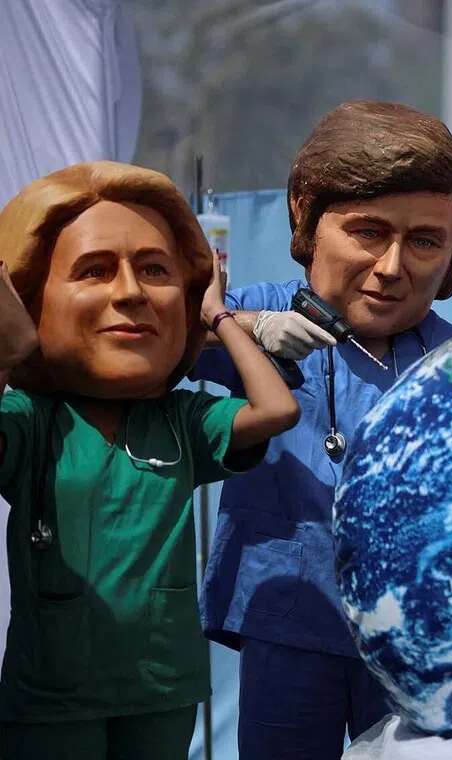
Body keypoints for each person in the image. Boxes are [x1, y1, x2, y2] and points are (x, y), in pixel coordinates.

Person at [189, 100, 452, 759]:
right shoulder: (255, 313)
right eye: (368, 232)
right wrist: (245, 331)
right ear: (305, 216)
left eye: (425, 241)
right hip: (287, 623)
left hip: (417, 644)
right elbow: (158, 345)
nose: (391, 266)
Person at [0, 161, 301, 760]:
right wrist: (8, 341)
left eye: (155, 270)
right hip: (52, 689)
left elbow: (276, 411)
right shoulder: (30, 419)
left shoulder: (182, 419)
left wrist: (221, 317)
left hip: (160, 683)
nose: (132, 292)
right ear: (31, 297)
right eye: (95, 270)